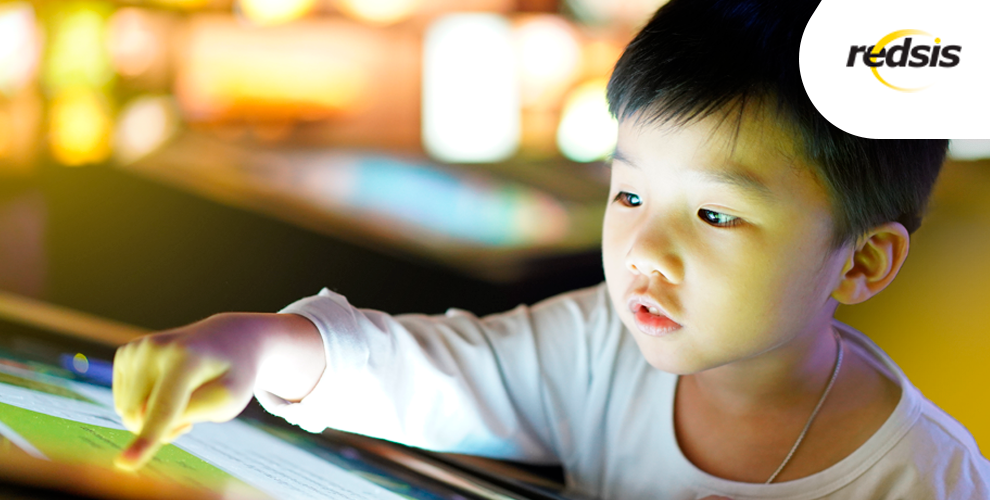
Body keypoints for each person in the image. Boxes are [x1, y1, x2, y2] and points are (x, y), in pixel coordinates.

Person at [111, 0, 990, 498]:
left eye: (716, 217)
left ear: (862, 261)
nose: (645, 248)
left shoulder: (928, 479)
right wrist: (254, 345)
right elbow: (421, 374)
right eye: (630, 193)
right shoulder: (601, 350)